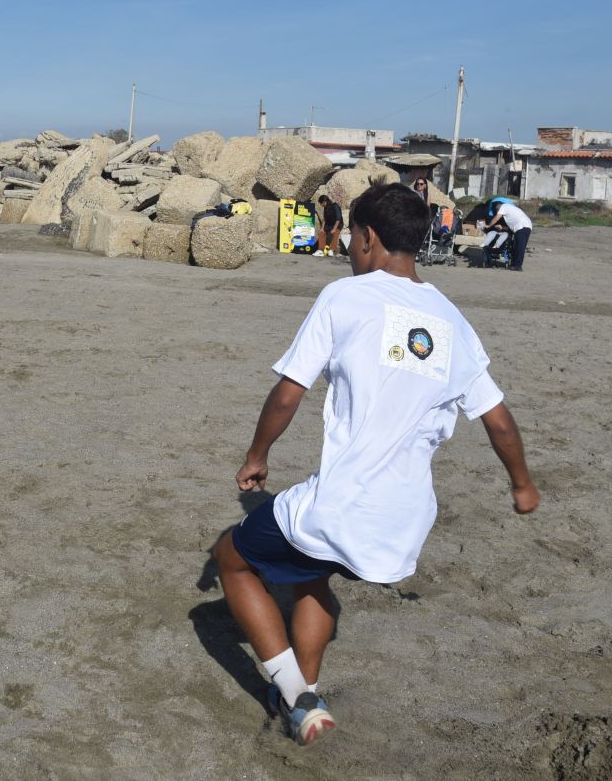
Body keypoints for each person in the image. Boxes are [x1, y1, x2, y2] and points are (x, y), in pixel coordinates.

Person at [210, 182, 539, 747]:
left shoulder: (344, 297)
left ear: (367, 237)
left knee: (231, 559)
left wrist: (257, 455)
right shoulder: (450, 318)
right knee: (311, 575)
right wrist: (523, 486)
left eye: (351, 240)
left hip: (344, 503)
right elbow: (500, 421)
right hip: (405, 518)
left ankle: (293, 691)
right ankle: (304, 697)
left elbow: (289, 392)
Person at [483, 198, 532, 272]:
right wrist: (502, 227)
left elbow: (496, 218)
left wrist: (488, 226)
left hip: (523, 226)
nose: (497, 212)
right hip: (523, 226)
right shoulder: (510, 209)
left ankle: (518, 266)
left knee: (520, 247)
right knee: (515, 246)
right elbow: (509, 227)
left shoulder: (504, 207)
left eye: (496, 210)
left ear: (498, 208)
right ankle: (514, 264)